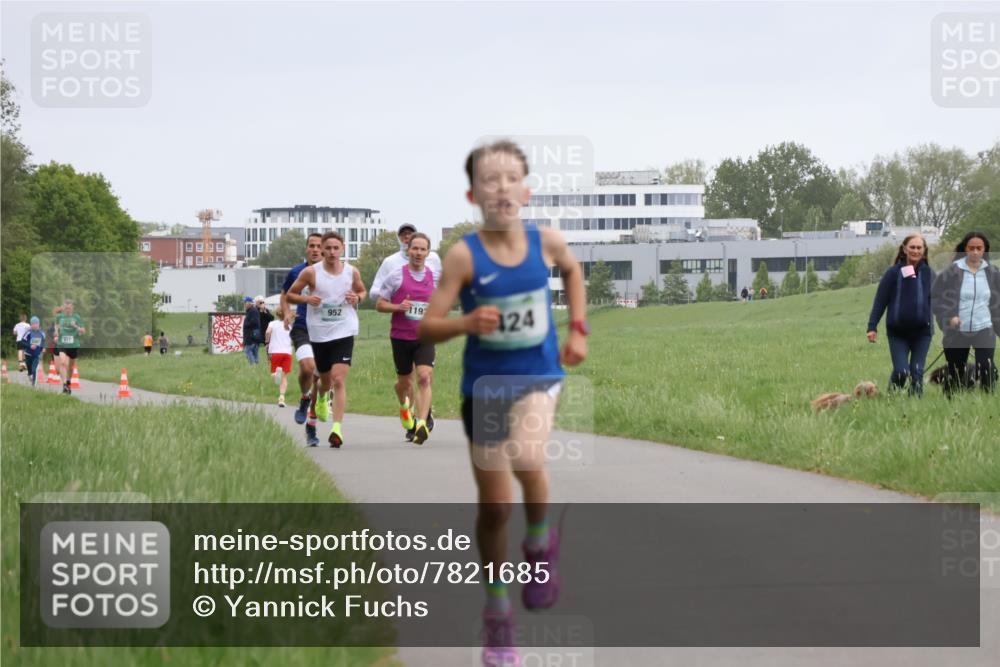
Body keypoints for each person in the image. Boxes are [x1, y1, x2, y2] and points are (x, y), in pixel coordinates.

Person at [418, 140, 588, 667]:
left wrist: (578, 329)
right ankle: (497, 613)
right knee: (494, 508)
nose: (502, 188)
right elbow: (427, 326)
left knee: (529, 457)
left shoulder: (547, 242)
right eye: (490, 180)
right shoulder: (464, 256)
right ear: (474, 195)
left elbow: (573, 272)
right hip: (485, 387)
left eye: (512, 178)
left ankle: (538, 545)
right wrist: (467, 323)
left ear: (526, 191)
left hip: (538, 377)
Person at [286, 231, 366, 447]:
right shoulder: (311, 273)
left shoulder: (351, 271)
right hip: (319, 333)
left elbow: (362, 291)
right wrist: (306, 299)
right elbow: (290, 295)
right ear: (322, 249)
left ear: (343, 249)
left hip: (344, 330)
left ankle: (336, 429)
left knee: (339, 380)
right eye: (327, 248)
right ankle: (320, 396)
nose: (331, 252)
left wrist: (357, 298)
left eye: (335, 248)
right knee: (324, 380)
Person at [376, 232, 437, 444]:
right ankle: (404, 407)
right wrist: (397, 307)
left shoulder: (434, 276)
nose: (418, 253)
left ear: (428, 252)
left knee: (424, 377)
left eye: (423, 249)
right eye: (415, 248)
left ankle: (421, 423)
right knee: (404, 383)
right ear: (408, 250)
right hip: (401, 337)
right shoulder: (395, 276)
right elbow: (380, 304)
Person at [931, 231, 1000, 395]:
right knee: (955, 369)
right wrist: (949, 317)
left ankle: (987, 399)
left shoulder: (993, 272)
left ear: (984, 249)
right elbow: (936, 297)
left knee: (986, 366)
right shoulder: (951, 272)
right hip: (957, 330)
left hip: (984, 327)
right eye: (971, 248)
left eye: (979, 248)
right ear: (965, 249)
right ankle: (951, 400)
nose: (975, 252)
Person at [866, 234, 935, 396]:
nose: (915, 251)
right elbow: (880, 301)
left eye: (919, 248)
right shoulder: (893, 273)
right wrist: (872, 327)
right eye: (912, 247)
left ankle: (915, 404)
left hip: (922, 333)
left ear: (924, 250)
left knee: (917, 371)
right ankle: (891, 399)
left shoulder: (929, 274)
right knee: (902, 371)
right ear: (904, 249)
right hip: (898, 333)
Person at [282, 232, 325, 446]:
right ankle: (304, 397)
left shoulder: (334, 272)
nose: (315, 249)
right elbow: (285, 295)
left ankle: (311, 426)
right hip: (302, 327)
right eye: (312, 245)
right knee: (308, 368)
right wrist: (286, 312)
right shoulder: (296, 271)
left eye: (319, 246)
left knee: (318, 379)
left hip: (326, 330)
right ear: (306, 249)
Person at [370, 223, 443, 306]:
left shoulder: (433, 258)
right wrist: (397, 295)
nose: (407, 236)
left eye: (410, 233)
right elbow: (374, 293)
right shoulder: (389, 262)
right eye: (403, 234)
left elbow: (441, 286)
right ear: (398, 237)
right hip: (399, 310)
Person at [54, 299, 86, 395]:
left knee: (71, 367)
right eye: (66, 308)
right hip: (62, 344)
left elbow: (83, 331)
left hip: (73, 344)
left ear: (72, 308)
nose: (67, 310)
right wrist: (56, 333)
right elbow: (56, 325)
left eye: (69, 308)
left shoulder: (77, 317)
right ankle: (64, 385)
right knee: (63, 363)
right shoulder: (59, 317)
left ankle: (68, 382)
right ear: (63, 308)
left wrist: (76, 326)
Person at [265, 308, 293, 407]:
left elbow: (268, 332)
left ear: (277, 314)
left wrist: (267, 341)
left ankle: (276, 375)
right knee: (283, 377)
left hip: (275, 352)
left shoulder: (272, 323)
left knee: (274, 374)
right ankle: (281, 398)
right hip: (287, 353)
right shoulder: (289, 325)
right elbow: (293, 339)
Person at [20, 316, 46, 386]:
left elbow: (43, 342)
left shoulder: (42, 333)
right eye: (33, 324)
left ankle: (33, 385)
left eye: (36, 323)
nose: (35, 325)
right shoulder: (28, 333)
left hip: (37, 355)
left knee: (34, 369)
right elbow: (22, 342)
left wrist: (43, 348)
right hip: (28, 354)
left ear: (39, 324)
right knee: (30, 371)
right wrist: (30, 346)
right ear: (31, 325)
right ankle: (29, 375)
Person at [242, 296, 262, 365]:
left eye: (245, 302)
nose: (244, 304)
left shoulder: (252, 311)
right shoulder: (251, 311)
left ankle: (253, 365)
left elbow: (255, 322)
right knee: (255, 352)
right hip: (253, 336)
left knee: (247, 351)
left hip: (251, 336)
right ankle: (257, 366)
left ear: (249, 303)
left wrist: (246, 324)